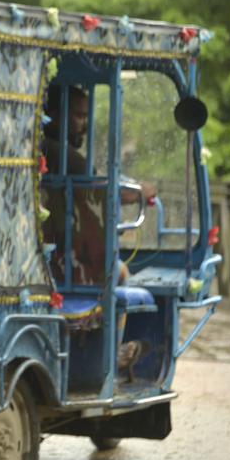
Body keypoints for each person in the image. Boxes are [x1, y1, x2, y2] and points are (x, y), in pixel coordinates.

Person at [41, 85, 149, 372]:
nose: (84, 123)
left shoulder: (41, 149)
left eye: (86, 116)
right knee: (121, 272)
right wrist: (140, 193)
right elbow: (101, 193)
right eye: (78, 115)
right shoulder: (61, 155)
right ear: (52, 115)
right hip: (62, 260)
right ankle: (110, 358)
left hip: (49, 252)